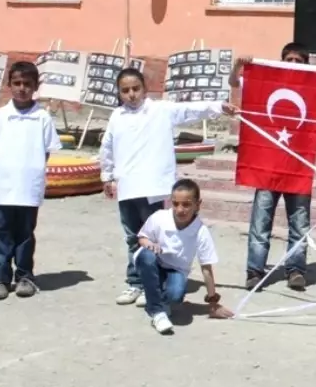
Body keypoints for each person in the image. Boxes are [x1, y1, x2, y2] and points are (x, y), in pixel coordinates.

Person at [99, 68, 235, 306]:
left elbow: (190, 109)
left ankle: (153, 283)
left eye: (135, 88)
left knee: (156, 238)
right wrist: (107, 176)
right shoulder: (116, 116)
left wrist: (219, 107)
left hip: (155, 187)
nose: (131, 94)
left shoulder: (161, 110)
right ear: (119, 93)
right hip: (128, 187)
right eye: (125, 90)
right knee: (133, 237)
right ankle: (135, 282)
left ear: (145, 88)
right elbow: (107, 147)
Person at [229, 44, 316, 291]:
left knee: (299, 223)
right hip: (268, 167)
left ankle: (296, 269)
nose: (294, 63)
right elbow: (235, 83)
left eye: (298, 59)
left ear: (306, 63)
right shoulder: (268, 81)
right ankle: (255, 270)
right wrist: (239, 65)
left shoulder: (314, 88)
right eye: (289, 59)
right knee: (260, 221)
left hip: (298, 166)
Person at [0, 60, 62, 300]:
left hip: (29, 186)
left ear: (36, 86)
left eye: (27, 83)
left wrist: (32, 170)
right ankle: (0, 279)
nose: (22, 88)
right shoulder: (1, 116)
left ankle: (25, 276)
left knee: (25, 234)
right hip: (2, 186)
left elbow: (46, 151)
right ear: (9, 86)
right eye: (17, 83)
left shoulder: (43, 117)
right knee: (1, 233)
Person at [134, 179, 227, 334]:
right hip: (154, 262)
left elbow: (206, 268)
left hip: (176, 270)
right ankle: (157, 313)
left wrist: (213, 303)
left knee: (175, 295)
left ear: (198, 204)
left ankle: (154, 295)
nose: (180, 209)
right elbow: (142, 237)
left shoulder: (201, 231)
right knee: (146, 256)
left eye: (186, 204)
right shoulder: (159, 217)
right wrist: (150, 245)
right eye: (175, 204)